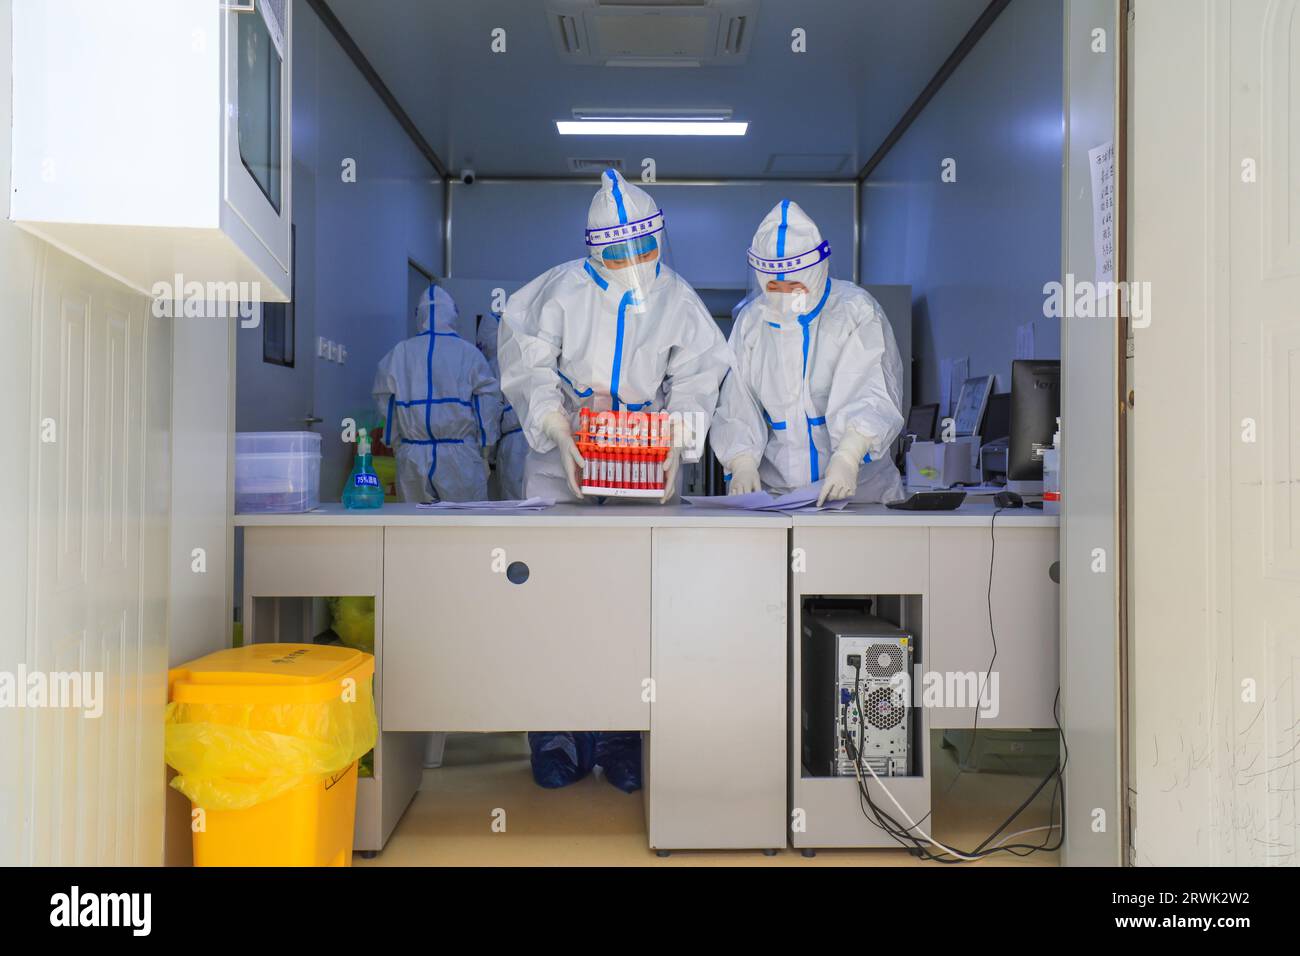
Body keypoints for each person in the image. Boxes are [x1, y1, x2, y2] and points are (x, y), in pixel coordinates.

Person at [498, 168, 730, 503]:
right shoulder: (562, 290)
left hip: (647, 460)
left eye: (645, 251)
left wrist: (679, 437)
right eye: (620, 256)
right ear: (596, 252)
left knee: (641, 551)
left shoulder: (678, 298)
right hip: (563, 460)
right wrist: (557, 430)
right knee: (557, 551)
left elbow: (697, 376)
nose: (636, 266)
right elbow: (528, 363)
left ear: (659, 239)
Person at [712, 200, 906, 505]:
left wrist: (848, 455)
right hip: (777, 496)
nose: (784, 293)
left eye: (794, 284)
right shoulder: (753, 322)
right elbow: (737, 399)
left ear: (815, 271)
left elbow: (872, 389)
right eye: (774, 285)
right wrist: (741, 461)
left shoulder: (855, 311)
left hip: (861, 492)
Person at [373, 284, 499, 503]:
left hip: (413, 454)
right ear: (453, 314)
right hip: (460, 456)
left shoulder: (399, 353)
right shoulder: (469, 354)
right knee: (463, 527)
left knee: (414, 528)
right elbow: (487, 403)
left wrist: (396, 443)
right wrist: (486, 449)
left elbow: (386, 401)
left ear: (419, 315)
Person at [474, 311, 527, 499]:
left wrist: (486, 455)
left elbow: (490, 414)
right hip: (543, 441)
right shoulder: (533, 356)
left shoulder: (495, 365)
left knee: (516, 509)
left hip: (513, 444)